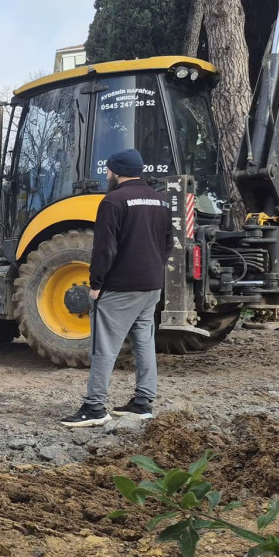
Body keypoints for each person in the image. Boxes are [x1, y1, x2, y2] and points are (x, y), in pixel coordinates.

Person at [61, 148, 174, 428]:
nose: (107, 174)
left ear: (117, 172)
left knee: (104, 347)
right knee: (144, 342)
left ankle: (94, 407)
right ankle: (143, 402)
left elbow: (104, 248)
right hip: (151, 286)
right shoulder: (160, 201)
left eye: (109, 170)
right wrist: (153, 269)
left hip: (121, 287)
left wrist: (96, 283)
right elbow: (169, 243)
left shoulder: (113, 201)